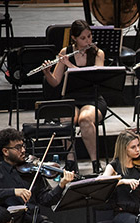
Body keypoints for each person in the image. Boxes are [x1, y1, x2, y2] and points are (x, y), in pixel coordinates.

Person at [41, 20, 107, 174]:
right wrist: (47, 72)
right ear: (74, 39)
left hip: (93, 99)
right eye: (83, 38)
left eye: (89, 37)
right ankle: (70, 162)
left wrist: (70, 66)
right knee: (66, 119)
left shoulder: (98, 53)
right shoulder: (66, 52)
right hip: (71, 99)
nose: (88, 41)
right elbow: (55, 82)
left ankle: (95, 162)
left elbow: (93, 78)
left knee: (85, 119)